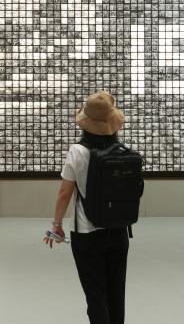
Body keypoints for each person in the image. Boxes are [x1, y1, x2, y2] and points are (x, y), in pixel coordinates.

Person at [45, 91, 130, 324]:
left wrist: (56, 225)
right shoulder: (122, 151)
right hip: (118, 230)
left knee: (95, 295)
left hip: (86, 232)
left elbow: (64, 194)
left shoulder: (78, 151)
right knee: (116, 293)